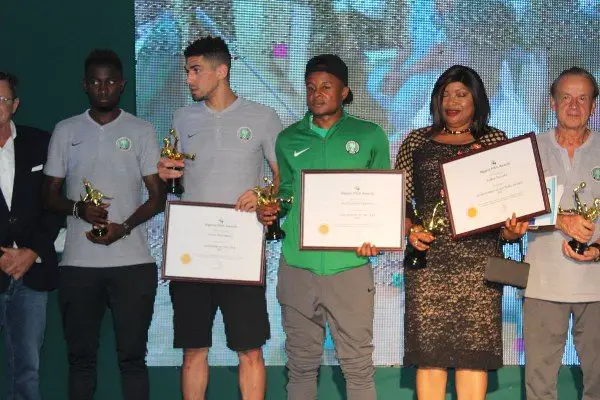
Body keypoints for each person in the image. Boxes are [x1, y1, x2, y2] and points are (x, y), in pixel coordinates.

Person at [257, 54, 389, 400]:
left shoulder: (370, 135)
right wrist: (272, 208)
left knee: (358, 368)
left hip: (350, 266)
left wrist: (376, 237)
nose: (317, 94)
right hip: (298, 265)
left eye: (326, 87)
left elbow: (382, 199)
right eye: (311, 87)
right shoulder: (288, 139)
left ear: (344, 92)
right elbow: (286, 193)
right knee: (301, 366)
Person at [157, 35, 282, 400]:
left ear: (222, 71)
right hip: (192, 253)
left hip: (240, 253)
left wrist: (262, 194)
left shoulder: (262, 117)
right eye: (187, 71)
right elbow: (173, 175)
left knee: (250, 350)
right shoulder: (182, 117)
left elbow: (283, 176)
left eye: (196, 70)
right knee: (193, 351)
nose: (189, 79)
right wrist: (163, 173)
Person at [395, 64, 528, 400]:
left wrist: (511, 232)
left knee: (473, 358)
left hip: (479, 266)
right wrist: (410, 229)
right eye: (445, 95)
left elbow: (508, 203)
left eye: (461, 94)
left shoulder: (494, 141)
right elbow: (397, 200)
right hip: (429, 264)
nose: (451, 102)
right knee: (430, 359)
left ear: (476, 101)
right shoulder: (417, 141)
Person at [43, 49, 165, 400]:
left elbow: (157, 197)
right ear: (85, 85)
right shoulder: (66, 130)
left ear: (122, 85)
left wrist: (123, 228)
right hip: (78, 266)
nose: (103, 88)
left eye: (110, 81)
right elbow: (49, 195)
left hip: (133, 265)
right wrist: (79, 209)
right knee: (81, 361)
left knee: (133, 360)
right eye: (96, 82)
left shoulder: (141, 130)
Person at [524, 67, 600, 400]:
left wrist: (599, 248)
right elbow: (514, 211)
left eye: (582, 98)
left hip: (596, 287)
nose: (574, 105)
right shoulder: (528, 150)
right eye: (566, 97)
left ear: (593, 106)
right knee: (539, 386)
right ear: (552, 103)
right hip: (542, 284)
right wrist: (560, 220)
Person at [0, 72, 62, 400]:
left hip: (32, 273)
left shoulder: (41, 143)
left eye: (2, 99)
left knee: (27, 371)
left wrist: (31, 252)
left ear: (15, 105)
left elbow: (54, 204)